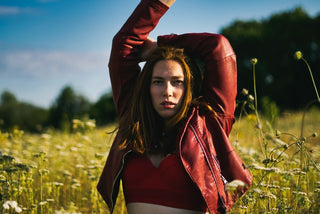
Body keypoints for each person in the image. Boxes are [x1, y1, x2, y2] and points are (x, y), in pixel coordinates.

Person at [97, 0, 253, 213]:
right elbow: (123, 45)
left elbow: (218, 47)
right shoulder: (133, 118)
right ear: (148, 88)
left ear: (189, 88)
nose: (167, 91)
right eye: (158, 81)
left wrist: (162, 45)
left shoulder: (208, 124)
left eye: (177, 82)